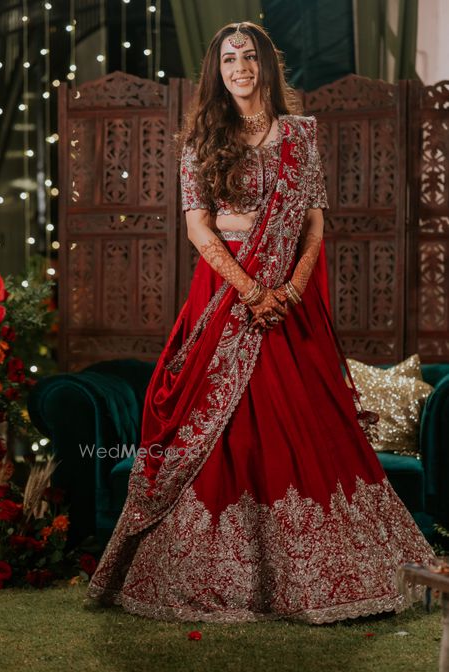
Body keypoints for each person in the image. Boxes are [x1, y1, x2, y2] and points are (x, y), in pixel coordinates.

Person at [86, 21, 434, 623]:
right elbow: (198, 225)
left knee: (304, 425)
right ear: (216, 72)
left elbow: (316, 221)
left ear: (267, 66)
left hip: (288, 306)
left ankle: (315, 577)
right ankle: (223, 577)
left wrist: (293, 288)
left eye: (249, 56)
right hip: (225, 297)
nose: (240, 67)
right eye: (228, 59)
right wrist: (250, 289)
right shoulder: (201, 136)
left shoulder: (302, 134)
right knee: (227, 435)